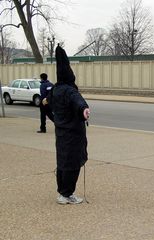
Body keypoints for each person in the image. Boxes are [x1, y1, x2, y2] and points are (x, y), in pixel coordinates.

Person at [46, 45, 90, 204]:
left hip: (61, 133)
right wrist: (84, 109)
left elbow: (46, 104)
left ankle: (62, 192)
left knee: (62, 162)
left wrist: (55, 118)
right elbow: (78, 101)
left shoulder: (55, 90)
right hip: (72, 134)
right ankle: (66, 194)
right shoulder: (69, 90)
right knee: (72, 163)